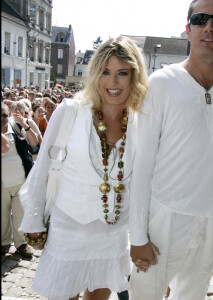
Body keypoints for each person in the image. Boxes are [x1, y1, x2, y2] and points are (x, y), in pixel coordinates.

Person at [128, 1, 213, 299]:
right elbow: (140, 163)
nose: (209, 27)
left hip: (208, 221)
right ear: (188, 29)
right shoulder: (161, 83)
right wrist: (138, 236)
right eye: (200, 19)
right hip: (163, 217)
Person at [18, 36, 148, 300]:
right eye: (105, 72)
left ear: (134, 76)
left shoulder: (143, 122)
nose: (113, 83)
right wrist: (33, 221)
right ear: (94, 74)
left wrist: (141, 236)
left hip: (113, 237)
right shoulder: (70, 112)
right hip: (68, 232)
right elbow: (41, 169)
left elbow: (146, 184)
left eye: (122, 73)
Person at [1, 102, 39, 258]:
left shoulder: (16, 127)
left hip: (20, 181)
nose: (2, 118)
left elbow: (35, 145)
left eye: (4, 115)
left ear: (8, 114)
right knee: (2, 217)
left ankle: (22, 244)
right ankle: (3, 244)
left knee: (20, 214)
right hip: (2, 184)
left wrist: (25, 124)